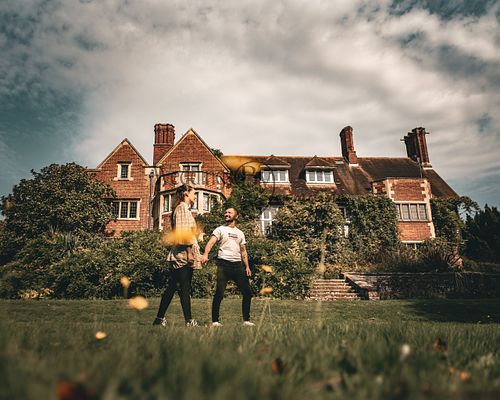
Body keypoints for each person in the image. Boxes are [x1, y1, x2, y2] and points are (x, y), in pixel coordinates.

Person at [153, 184, 201, 327]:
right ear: (186, 193)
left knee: (173, 287)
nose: (195, 196)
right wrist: (190, 253)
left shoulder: (184, 209)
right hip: (183, 255)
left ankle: (159, 319)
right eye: (193, 193)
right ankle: (189, 320)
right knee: (184, 288)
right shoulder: (181, 209)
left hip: (182, 253)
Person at [201, 207, 254, 326]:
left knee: (247, 293)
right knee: (219, 292)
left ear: (236, 216)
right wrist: (205, 254)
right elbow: (210, 242)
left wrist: (247, 266)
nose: (226, 214)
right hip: (223, 264)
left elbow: (243, 251)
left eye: (229, 212)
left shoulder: (240, 233)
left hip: (237, 266)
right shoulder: (220, 229)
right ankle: (215, 321)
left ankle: (246, 320)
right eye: (225, 212)